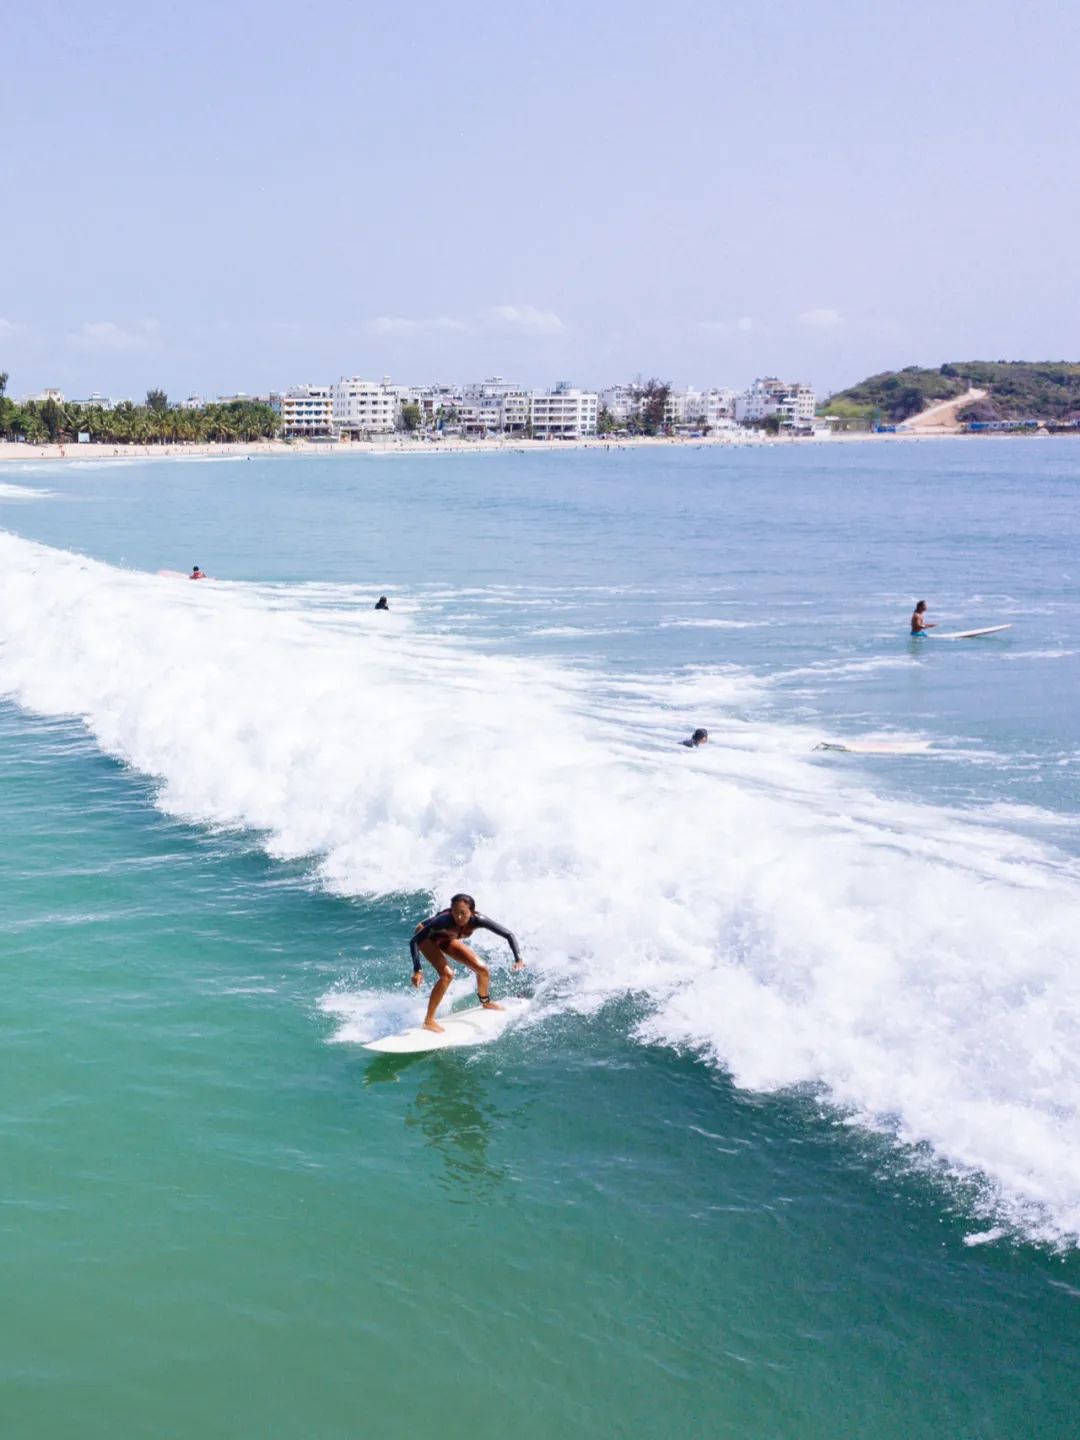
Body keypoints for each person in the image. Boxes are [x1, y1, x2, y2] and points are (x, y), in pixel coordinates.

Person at [410, 893, 525, 1032]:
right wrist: (418, 969)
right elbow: (414, 941)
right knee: (447, 975)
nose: (458, 917)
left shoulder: (478, 920)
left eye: (463, 913)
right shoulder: (443, 921)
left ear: (472, 912)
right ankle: (428, 1021)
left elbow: (508, 934)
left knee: (482, 969)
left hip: (446, 938)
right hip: (425, 937)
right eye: (455, 912)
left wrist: (518, 958)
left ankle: (486, 1003)